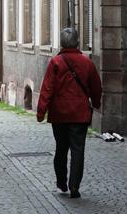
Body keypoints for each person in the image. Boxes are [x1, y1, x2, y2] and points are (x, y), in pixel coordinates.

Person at [36, 27, 102, 198]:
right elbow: (96, 86)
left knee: (61, 149)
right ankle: (74, 185)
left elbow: (47, 89)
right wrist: (96, 103)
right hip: (79, 114)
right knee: (78, 150)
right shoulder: (86, 62)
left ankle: (61, 183)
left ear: (62, 43)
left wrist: (41, 112)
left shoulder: (56, 62)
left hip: (59, 114)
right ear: (78, 42)